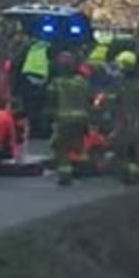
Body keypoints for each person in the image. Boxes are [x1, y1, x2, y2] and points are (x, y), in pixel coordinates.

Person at [47, 50, 90, 187]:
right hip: (82, 119)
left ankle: (65, 175)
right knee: (79, 146)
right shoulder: (82, 82)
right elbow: (89, 99)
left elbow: (51, 100)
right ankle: (83, 170)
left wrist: (49, 115)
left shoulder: (56, 83)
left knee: (61, 149)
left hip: (63, 119)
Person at [110, 49, 139, 184]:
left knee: (126, 147)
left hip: (127, 121)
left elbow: (117, 102)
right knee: (134, 146)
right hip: (136, 120)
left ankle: (129, 172)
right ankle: (133, 171)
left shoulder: (124, 84)